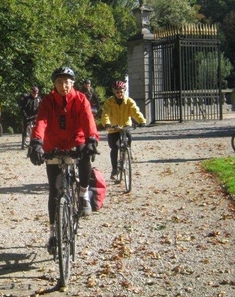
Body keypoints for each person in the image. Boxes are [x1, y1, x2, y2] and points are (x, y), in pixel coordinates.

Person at [27, 67, 99, 254]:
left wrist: (91, 139)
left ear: (73, 83)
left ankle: (83, 194)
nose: (63, 85)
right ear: (54, 84)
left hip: (76, 139)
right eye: (59, 82)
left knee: (85, 159)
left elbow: (88, 119)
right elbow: (41, 122)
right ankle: (52, 233)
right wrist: (36, 142)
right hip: (54, 145)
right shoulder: (48, 101)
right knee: (55, 190)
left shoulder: (81, 99)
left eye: (67, 81)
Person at [100, 80, 147, 180]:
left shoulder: (129, 101)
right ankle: (114, 169)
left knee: (128, 136)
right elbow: (105, 114)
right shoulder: (109, 102)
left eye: (121, 91)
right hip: (113, 127)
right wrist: (107, 123)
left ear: (124, 91)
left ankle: (128, 150)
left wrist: (141, 121)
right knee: (115, 147)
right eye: (117, 92)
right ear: (114, 92)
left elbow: (135, 111)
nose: (119, 94)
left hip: (125, 125)